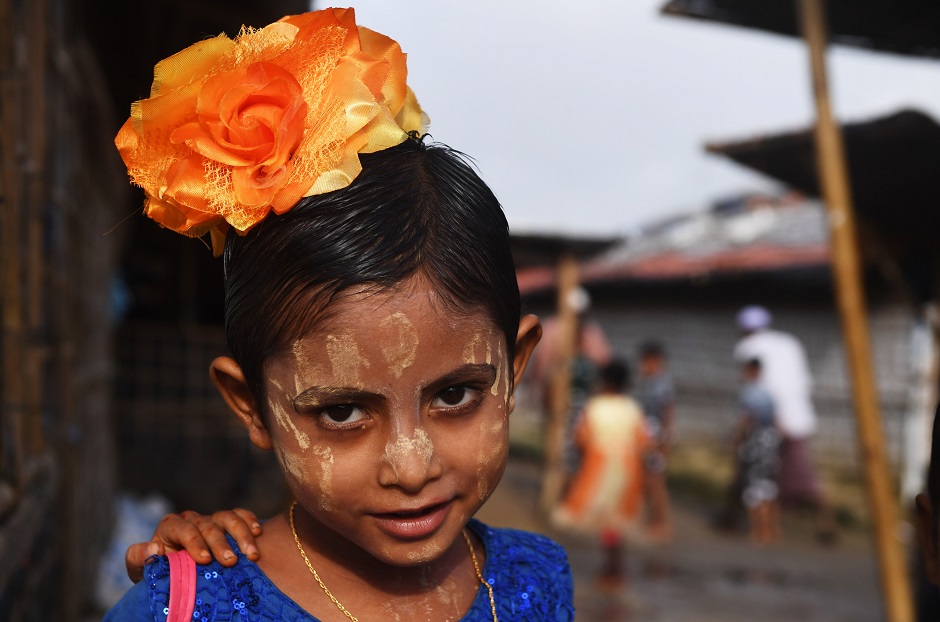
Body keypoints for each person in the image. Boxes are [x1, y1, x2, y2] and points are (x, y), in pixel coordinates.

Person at [105, 8, 574, 621]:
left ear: (513, 369)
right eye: (342, 411)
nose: (411, 467)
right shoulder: (190, 607)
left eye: (457, 395)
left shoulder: (539, 579)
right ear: (251, 404)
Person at [733, 305, 835, 541]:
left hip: (769, 424)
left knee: (753, 474)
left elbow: (759, 388)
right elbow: (804, 381)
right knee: (801, 475)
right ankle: (824, 523)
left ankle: (758, 527)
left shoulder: (747, 348)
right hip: (800, 419)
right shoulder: (790, 342)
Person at [551, 360, 648, 586]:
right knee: (617, 517)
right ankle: (614, 563)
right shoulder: (632, 408)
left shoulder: (595, 406)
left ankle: (613, 566)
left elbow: (581, 438)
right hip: (627, 467)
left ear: (604, 381)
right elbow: (643, 440)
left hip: (600, 467)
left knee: (603, 515)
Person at [733, 359, 781, 545]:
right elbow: (777, 421)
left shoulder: (750, 393)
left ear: (751, 371)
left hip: (755, 443)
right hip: (770, 442)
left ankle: (758, 530)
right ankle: (773, 529)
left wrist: (736, 439)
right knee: (769, 485)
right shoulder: (768, 394)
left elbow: (747, 420)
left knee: (753, 487)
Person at [634, 340, 674, 541]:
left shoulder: (661, 384)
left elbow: (668, 413)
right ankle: (649, 520)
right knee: (646, 481)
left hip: (657, 437)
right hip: (648, 437)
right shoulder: (647, 382)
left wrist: (664, 441)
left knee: (656, 482)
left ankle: (661, 523)